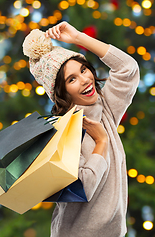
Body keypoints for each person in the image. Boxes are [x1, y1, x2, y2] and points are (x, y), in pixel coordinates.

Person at [22, 22, 140, 237]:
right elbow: (81, 189)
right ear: (61, 92)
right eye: (72, 79)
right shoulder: (62, 133)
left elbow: (128, 69)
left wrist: (79, 38)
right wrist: (101, 143)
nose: (85, 79)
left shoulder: (105, 108)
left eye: (83, 69)